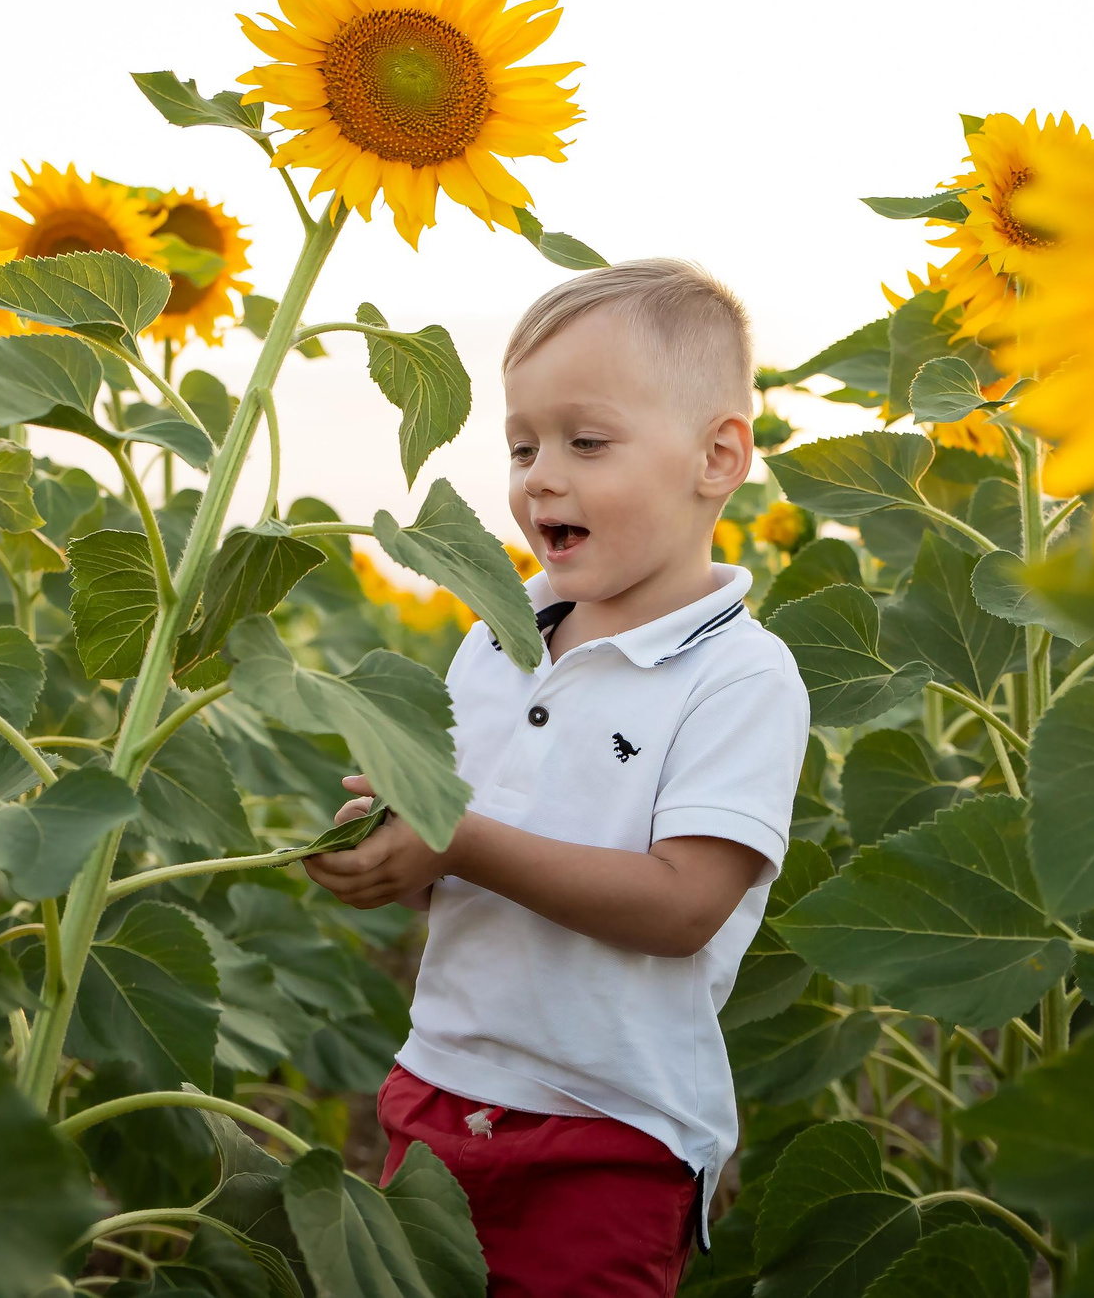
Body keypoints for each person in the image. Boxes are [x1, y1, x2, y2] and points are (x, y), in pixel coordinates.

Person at [304, 257, 813, 1297]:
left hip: (609, 1128)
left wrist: (455, 838)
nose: (541, 474)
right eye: (522, 444)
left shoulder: (740, 674)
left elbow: (683, 906)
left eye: (586, 442)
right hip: (439, 1082)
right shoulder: (495, 635)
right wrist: (393, 830)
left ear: (717, 458)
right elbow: (454, 823)